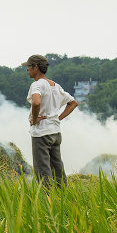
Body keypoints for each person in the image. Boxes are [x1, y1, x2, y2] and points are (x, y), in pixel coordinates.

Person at [23, 54, 78, 187]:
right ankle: (62, 197)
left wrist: (35, 120)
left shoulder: (37, 85)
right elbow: (73, 103)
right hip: (55, 132)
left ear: (35, 67)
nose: (27, 69)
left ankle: (47, 201)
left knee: (43, 171)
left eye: (28, 67)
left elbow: (36, 102)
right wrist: (57, 118)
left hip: (41, 134)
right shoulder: (55, 86)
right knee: (57, 168)